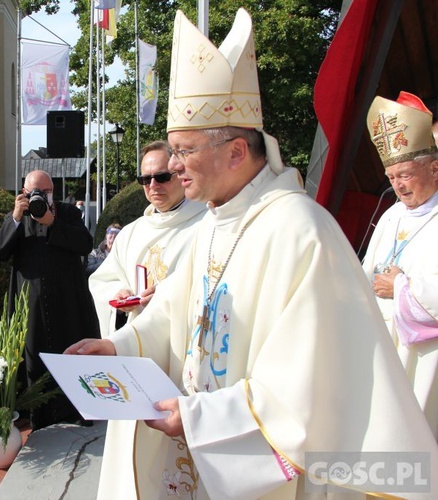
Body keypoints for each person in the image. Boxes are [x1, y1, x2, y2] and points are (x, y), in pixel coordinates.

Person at [66, 9, 438, 498]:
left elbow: (307, 389)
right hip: (197, 462)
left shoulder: (300, 232)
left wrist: (201, 417)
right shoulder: (215, 222)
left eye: (185, 150)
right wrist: (120, 346)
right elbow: (175, 312)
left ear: (237, 153)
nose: (174, 166)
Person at [0, 170, 100, 430]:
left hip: (69, 305)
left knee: (72, 357)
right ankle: (39, 421)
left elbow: (85, 243)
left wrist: (53, 223)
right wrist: (15, 218)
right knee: (34, 363)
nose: (39, 197)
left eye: (45, 192)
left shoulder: (68, 213)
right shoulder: (18, 217)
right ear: (24, 194)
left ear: (53, 192)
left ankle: (79, 413)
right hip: (31, 309)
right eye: (33, 193)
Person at [361, 91, 438, 438]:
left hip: (425, 360)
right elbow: (365, 275)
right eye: (391, 177)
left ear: (434, 169)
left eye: (405, 174)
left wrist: (401, 290)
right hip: (384, 351)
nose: (398, 185)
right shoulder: (391, 216)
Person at [89, 141, 205, 336]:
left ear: (181, 174)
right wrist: (120, 294)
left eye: (162, 177)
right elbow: (103, 281)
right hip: (137, 340)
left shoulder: (206, 225)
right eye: (145, 179)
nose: (153, 186)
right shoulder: (130, 233)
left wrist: (168, 298)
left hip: (181, 339)